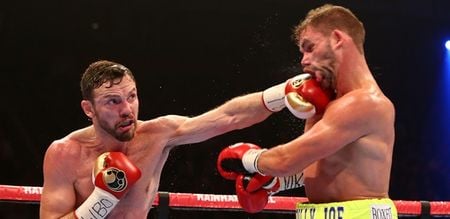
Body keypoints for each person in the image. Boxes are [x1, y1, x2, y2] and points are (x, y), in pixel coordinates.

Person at [39, 58, 332, 218]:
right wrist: (101, 201)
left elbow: (228, 116)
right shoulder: (64, 154)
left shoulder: (157, 134)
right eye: (113, 102)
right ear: (88, 109)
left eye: (131, 97)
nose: (127, 109)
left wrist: (281, 94)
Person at [217, 4, 398, 219]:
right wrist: (277, 181)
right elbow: (320, 166)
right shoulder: (328, 103)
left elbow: (286, 160)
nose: (303, 60)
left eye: (310, 47)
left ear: (338, 39)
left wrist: (248, 159)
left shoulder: (364, 102)